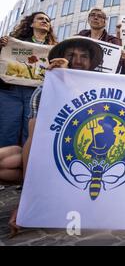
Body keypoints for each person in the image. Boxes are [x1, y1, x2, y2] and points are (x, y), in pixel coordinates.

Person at [6, 37, 104, 235]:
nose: (77, 60)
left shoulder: (101, 88)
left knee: (11, 161)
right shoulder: (44, 91)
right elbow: (34, 141)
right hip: (52, 158)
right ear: (60, 59)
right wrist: (27, 200)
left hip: (87, 159)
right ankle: (37, 189)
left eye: (83, 56)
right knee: (5, 162)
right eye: (71, 55)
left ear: (91, 63)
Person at [0, 12, 57, 147]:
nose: (44, 21)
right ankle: (5, 165)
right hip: (10, 92)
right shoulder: (13, 43)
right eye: (40, 19)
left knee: (30, 131)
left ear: (49, 27)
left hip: (36, 94)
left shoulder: (56, 49)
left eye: (47, 20)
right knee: (7, 130)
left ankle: (24, 165)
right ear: (31, 24)